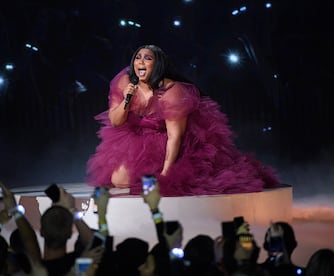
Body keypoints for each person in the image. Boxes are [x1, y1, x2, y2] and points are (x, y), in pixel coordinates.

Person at [86, 44, 281, 196]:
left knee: (176, 179)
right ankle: (146, 175)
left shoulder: (172, 91)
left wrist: (166, 175)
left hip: (165, 140)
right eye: (138, 58)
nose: (141, 62)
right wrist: (127, 100)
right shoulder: (124, 82)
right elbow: (116, 121)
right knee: (119, 180)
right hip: (136, 138)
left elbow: (174, 136)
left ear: (158, 65)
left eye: (147, 58)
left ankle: (155, 174)